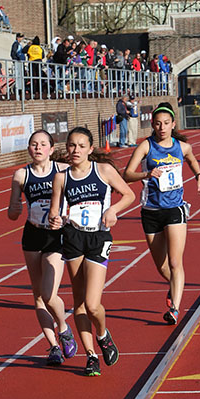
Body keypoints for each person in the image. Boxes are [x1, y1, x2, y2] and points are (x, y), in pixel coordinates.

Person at [49, 127, 135, 377]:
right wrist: (56, 220)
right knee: (78, 303)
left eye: (81, 146)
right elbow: (55, 212)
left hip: (98, 237)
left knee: (93, 304)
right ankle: (90, 355)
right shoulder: (62, 177)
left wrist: (113, 210)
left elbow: (129, 194)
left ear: (90, 149)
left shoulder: (103, 171)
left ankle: (103, 334)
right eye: (72, 146)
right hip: (74, 237)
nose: (75, 150)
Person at [123, 102, 200, 326]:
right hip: (151, 210)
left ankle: (175, 309)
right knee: (161, 265)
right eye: (158, 123)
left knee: (176, 262)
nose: (162, 127)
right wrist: (146, 174)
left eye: (166, 123)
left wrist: (198, 175)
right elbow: (127, 175)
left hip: (175, 209)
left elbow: (191, 158)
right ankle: (175, 286)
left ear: (173, 125)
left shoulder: (182, 146)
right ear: (152, 125)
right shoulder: (146, 147)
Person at [7, 130, 77, 366]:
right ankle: (54, 346)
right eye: (33, 144)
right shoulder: (21, 174)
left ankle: (64, 327)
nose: (37, 148)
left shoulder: (62, 170)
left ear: (50, 147)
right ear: (29, 149)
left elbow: (74, 201)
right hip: (33, 235)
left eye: (42, 144)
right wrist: (15, 207)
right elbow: (12, 214)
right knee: (38, 297)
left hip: (56, 237)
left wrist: (65, 218)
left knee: (49, 294)